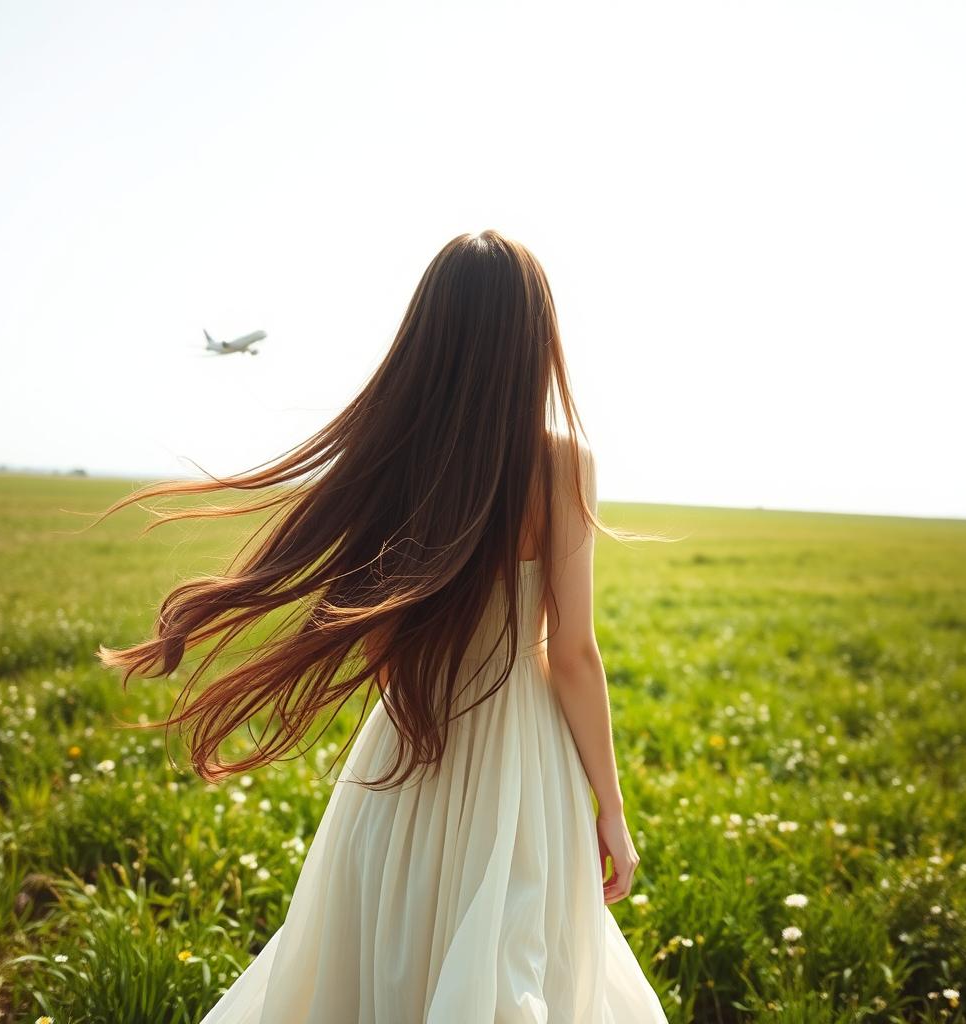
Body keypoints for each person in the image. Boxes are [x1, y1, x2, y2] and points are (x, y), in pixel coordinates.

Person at [96, 229, 669, 1022]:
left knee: (380, 965)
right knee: (509, 970)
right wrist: (611, 807)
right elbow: (571, 654)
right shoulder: (562, 461)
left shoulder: (397, 454)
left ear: (428, 334)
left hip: (409, 742)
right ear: (535, 335)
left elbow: (373, 625)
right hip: (520, 759)